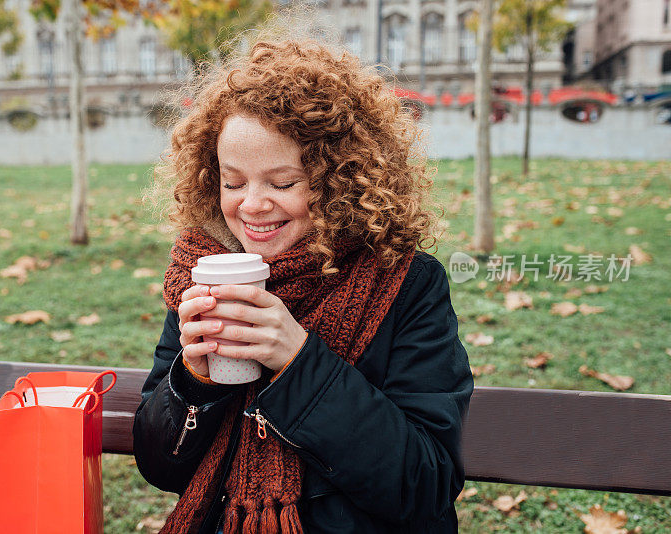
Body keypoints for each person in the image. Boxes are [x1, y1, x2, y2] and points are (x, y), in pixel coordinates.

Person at [133, 38, 473, 534]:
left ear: (341, 179)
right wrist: (192, 382)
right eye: (233, 182)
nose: (251, 205)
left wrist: (298, 362)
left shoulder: (405, 282)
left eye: (282, 183)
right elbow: (160, 468)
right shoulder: (203, 273)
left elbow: (425, 483)